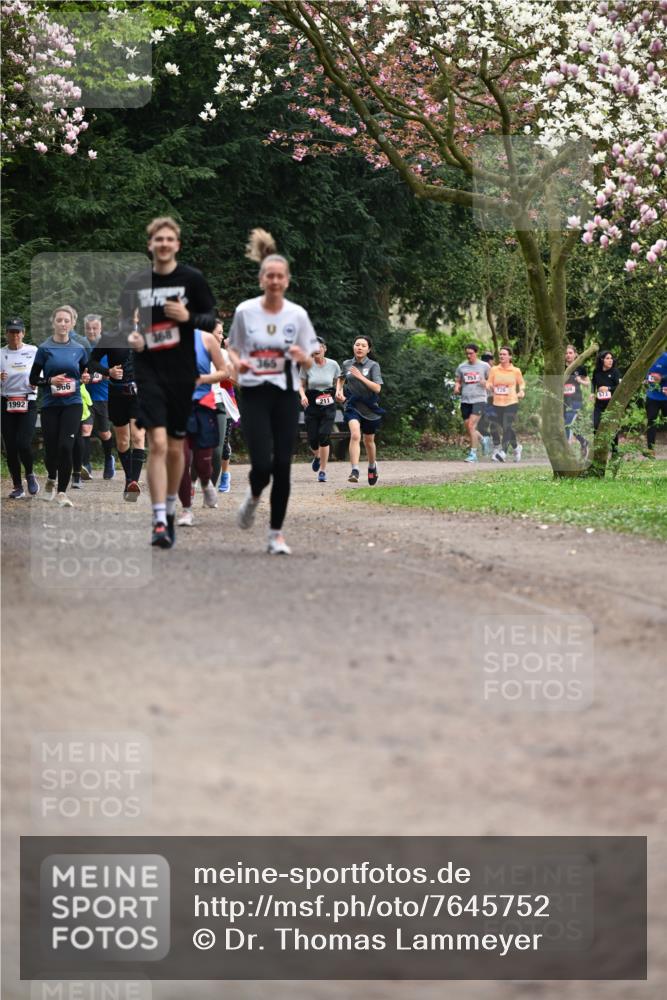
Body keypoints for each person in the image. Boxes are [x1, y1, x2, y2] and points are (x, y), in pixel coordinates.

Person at [121, 216, 217, 547]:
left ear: (177, 244)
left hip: (181, 371)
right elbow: (124, 321)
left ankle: (172, 507)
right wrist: (132, 335)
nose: (163, 244)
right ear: (150, 244)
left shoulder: (192, 279)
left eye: (169, 239)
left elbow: (210, 319)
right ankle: (159, 518)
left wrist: (188, 317)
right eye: (158, 239)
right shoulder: (137, 282)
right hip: (148, 369)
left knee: (176, 447)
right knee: (158, 443)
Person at [227, 227, 319, 555]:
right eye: (270, 276)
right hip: (254, 393)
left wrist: (301, 356)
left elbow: (311, 360)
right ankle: (253, 498)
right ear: (261, 279)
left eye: (280, 276)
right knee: (262, 466)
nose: (275, 281)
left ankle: (276, 534)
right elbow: (232, 348)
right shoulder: (245, 311)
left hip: (285, 393)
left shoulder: (297, 315)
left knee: (282, 465)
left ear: (287, 281)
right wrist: (238, 364)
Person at [28, 305, 89, 506]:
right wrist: (50, 381)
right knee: (52, 449)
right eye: (59, 320)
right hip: (50, 405)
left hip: (73, 403)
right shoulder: (44, 349)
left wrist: (86, 378)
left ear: (73, 323)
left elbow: (85, 373)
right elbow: (33, 378)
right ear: (53, 322)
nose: (63, 324)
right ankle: (51, 479)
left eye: (67, 321)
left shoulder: (79, 349)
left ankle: (62, 492)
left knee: (65, 446)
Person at [177, 324, 230, 526]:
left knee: (205, 458)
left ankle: (207, 483)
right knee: (182, 459)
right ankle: (186, 509)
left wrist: (201, 379)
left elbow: (225, 372)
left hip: (205, 405)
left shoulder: (206, 339)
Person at [88, 318, 146, 502]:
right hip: (117, 395)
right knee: (122, 441)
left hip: (140, 395)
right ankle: (129, 479)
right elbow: (91, 362)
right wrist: (108, 372)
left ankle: (133, 482)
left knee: (138, 437)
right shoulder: (110, 336)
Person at [336, 336, 384, 484]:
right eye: (357, 344)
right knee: (355, 434)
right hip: (352, 405)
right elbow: (341, 378)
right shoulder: (347, 364)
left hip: (369, 407)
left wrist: (360, 377)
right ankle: (355, 470)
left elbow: (377, 388)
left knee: (368, 441)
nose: (360, 348)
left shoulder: (373, 365)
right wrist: (339, 391)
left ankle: (372, 466)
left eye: (363, 345)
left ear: (368, 349)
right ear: (353, 347)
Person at [1, 317, 39, 498]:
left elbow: (42, 374)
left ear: (23, 333)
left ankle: (30, 474)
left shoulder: (33, 351)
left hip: (27, 401)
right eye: (11, 332)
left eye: (17, 332)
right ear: (6, 334)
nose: (14, 335)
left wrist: (36, 382)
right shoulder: (0, 353)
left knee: (23, 443)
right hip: (6, 402)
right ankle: (17, 486)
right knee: (10, 447)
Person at [299, 337, 341, 483]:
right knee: (313, 439)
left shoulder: (333, 364)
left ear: (324, 348)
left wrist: (338, 391)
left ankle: (322, 471)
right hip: (311, 402)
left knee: (324, 436)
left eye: (319, 347)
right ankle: (317, 456)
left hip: (328, 402)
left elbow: (339, 380)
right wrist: (303, 396)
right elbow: (301, 384)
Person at [80, 314, 115, 480]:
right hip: (85, 396)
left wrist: (104, 375)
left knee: (104, 433)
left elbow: (116, 372)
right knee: (85, 429)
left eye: (95, 328)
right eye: (88, 328)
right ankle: (85, 465)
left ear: (101, 329)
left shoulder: (107, 348)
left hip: (103, 396)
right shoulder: (81, 347)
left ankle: (109, 459)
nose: (91, 331)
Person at [487, 345, 525, 462]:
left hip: (511, 402)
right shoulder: (494, 369)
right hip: (497, 403)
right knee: (505, 427)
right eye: (500, 354)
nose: (502, 356)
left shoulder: (516, 371)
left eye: (504, 354)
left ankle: (503, 452)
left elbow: (521, 383)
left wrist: (521, 391)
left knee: (507, 426)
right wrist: (490, 386)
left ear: (510, 357)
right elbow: (489, 382)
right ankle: (517, 448)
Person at [454, 342, 490, 463]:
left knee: (471, 426)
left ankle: (473, 454)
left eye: (471, 353)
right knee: (469, 428)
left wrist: (486, 383)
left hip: (479, 400)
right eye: (467, 354)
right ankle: (483, 440)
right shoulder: (462, 367)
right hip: (465, 400)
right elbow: (458, 380)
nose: (469, 356)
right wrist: (457, 386)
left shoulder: (484, 366)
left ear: (476, 353)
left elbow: (492, 381)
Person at [591, 349, 621, 454]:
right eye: (607, 358)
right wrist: (592, 393)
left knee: (612, 428)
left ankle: (615, 452)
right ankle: (599, 448)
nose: (610, 360)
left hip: (612, 404)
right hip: (599, 404)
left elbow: (619, 387)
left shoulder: (615, 372)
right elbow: (593, 382)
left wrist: (608, 388)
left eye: (611, 358)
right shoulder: (596, 372)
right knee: (595, 425)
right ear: (602, 360)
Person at [563, 343, 590, 461]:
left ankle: (566, 449)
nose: (568, 355)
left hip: (575, 400)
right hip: (563, 400)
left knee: (567, 423)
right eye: (566, 353)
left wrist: (580, 380)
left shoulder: (580, 368)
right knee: (571, 425)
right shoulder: (560, 368)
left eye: (570, 353)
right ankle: (584, 442)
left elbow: (588, 383)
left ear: (575, 354)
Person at [476, 351, 499, 456]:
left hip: (492, 400)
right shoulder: (481, 370)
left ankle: (496, 447)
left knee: (493, 424)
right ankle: (488, 443)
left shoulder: (495, 371)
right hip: (483, 400)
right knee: (481, 425)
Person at [644, 350, 667, 457]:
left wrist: (661, 377)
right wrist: (646, 379)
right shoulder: (648, 357)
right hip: (652, 396)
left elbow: (660, 376)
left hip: (665, 396)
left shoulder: (665, 357)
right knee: (651, 422)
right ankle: (650, 450)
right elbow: (644, 374)